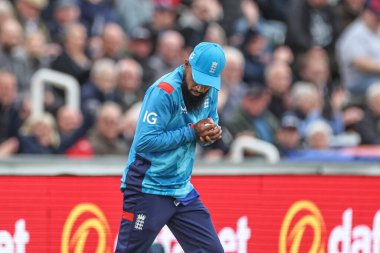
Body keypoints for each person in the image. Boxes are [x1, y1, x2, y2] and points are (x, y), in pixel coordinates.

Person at [115, 42, 226, 253]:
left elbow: (208, 125)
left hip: (181, 188)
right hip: (147, 187)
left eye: (207, 83)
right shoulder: (164, 91)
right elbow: (145, 142)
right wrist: (193, 131)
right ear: (186, 64)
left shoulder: (210, 90)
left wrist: (210, 134)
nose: (200, 88)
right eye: (198, 79)